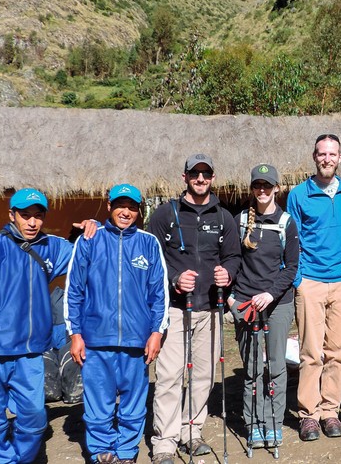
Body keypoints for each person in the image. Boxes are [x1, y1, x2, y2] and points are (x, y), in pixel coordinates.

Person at [0, 188, 74, 463]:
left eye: (38, 216)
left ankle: (20, 459)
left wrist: (90, 230)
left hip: (31, 353)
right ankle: (1, 460)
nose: (32, 222)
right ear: (12, 215)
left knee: (35, 418)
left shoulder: (52, 246)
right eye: (25, 216)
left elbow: (84, 255)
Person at [64, 184, 170, 464]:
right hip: (96, 340)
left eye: (132, 207)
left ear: (139, 210)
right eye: (121, 206)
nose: (126, 212)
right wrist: (75, 333)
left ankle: (126, 453)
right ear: (109, 206)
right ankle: (102, 452)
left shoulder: (148, 243)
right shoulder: (90, 240)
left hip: (136, 341)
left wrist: (157, 332)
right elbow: (74, 290)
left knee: (134, 406)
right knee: (98, 404)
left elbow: (159, 293)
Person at [147, 154, 241, 464]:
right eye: (195, 173)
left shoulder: (224, 217)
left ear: (213, 177)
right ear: (185, 177)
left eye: (206, 173)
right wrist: (174, 279)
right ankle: (164, 442)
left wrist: (227, 274)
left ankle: (191, 431)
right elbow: (151, 260)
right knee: (170, 376)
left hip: (211, 309)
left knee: (204, 376)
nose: (201, 179)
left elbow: (233, 257)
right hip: (175, 309)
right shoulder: (165, 215)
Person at [286, 134, 341, 441]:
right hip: (311, 281)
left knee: (337, 354)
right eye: (322, 153)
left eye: (332, 154)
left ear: (340, 158)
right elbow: (292, 240)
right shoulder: (299, 194)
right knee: (311, 353)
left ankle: (330, 412)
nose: (327, 158)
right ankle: (309, 415)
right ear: (314, 157)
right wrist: (299, 279)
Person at [227, 164, 298, 449]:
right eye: (258, 185)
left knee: (277, 366)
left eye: (267, 186)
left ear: (277, 188)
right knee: (253, 368)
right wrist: (232, 300)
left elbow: (291, 267)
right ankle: (254, 422)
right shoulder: (240, 220)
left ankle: (273, 422)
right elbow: (229, 261)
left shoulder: (286, 222)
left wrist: (270, 294)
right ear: (252, 188)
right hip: (246, 302)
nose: (262, 190)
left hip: (278, 302)